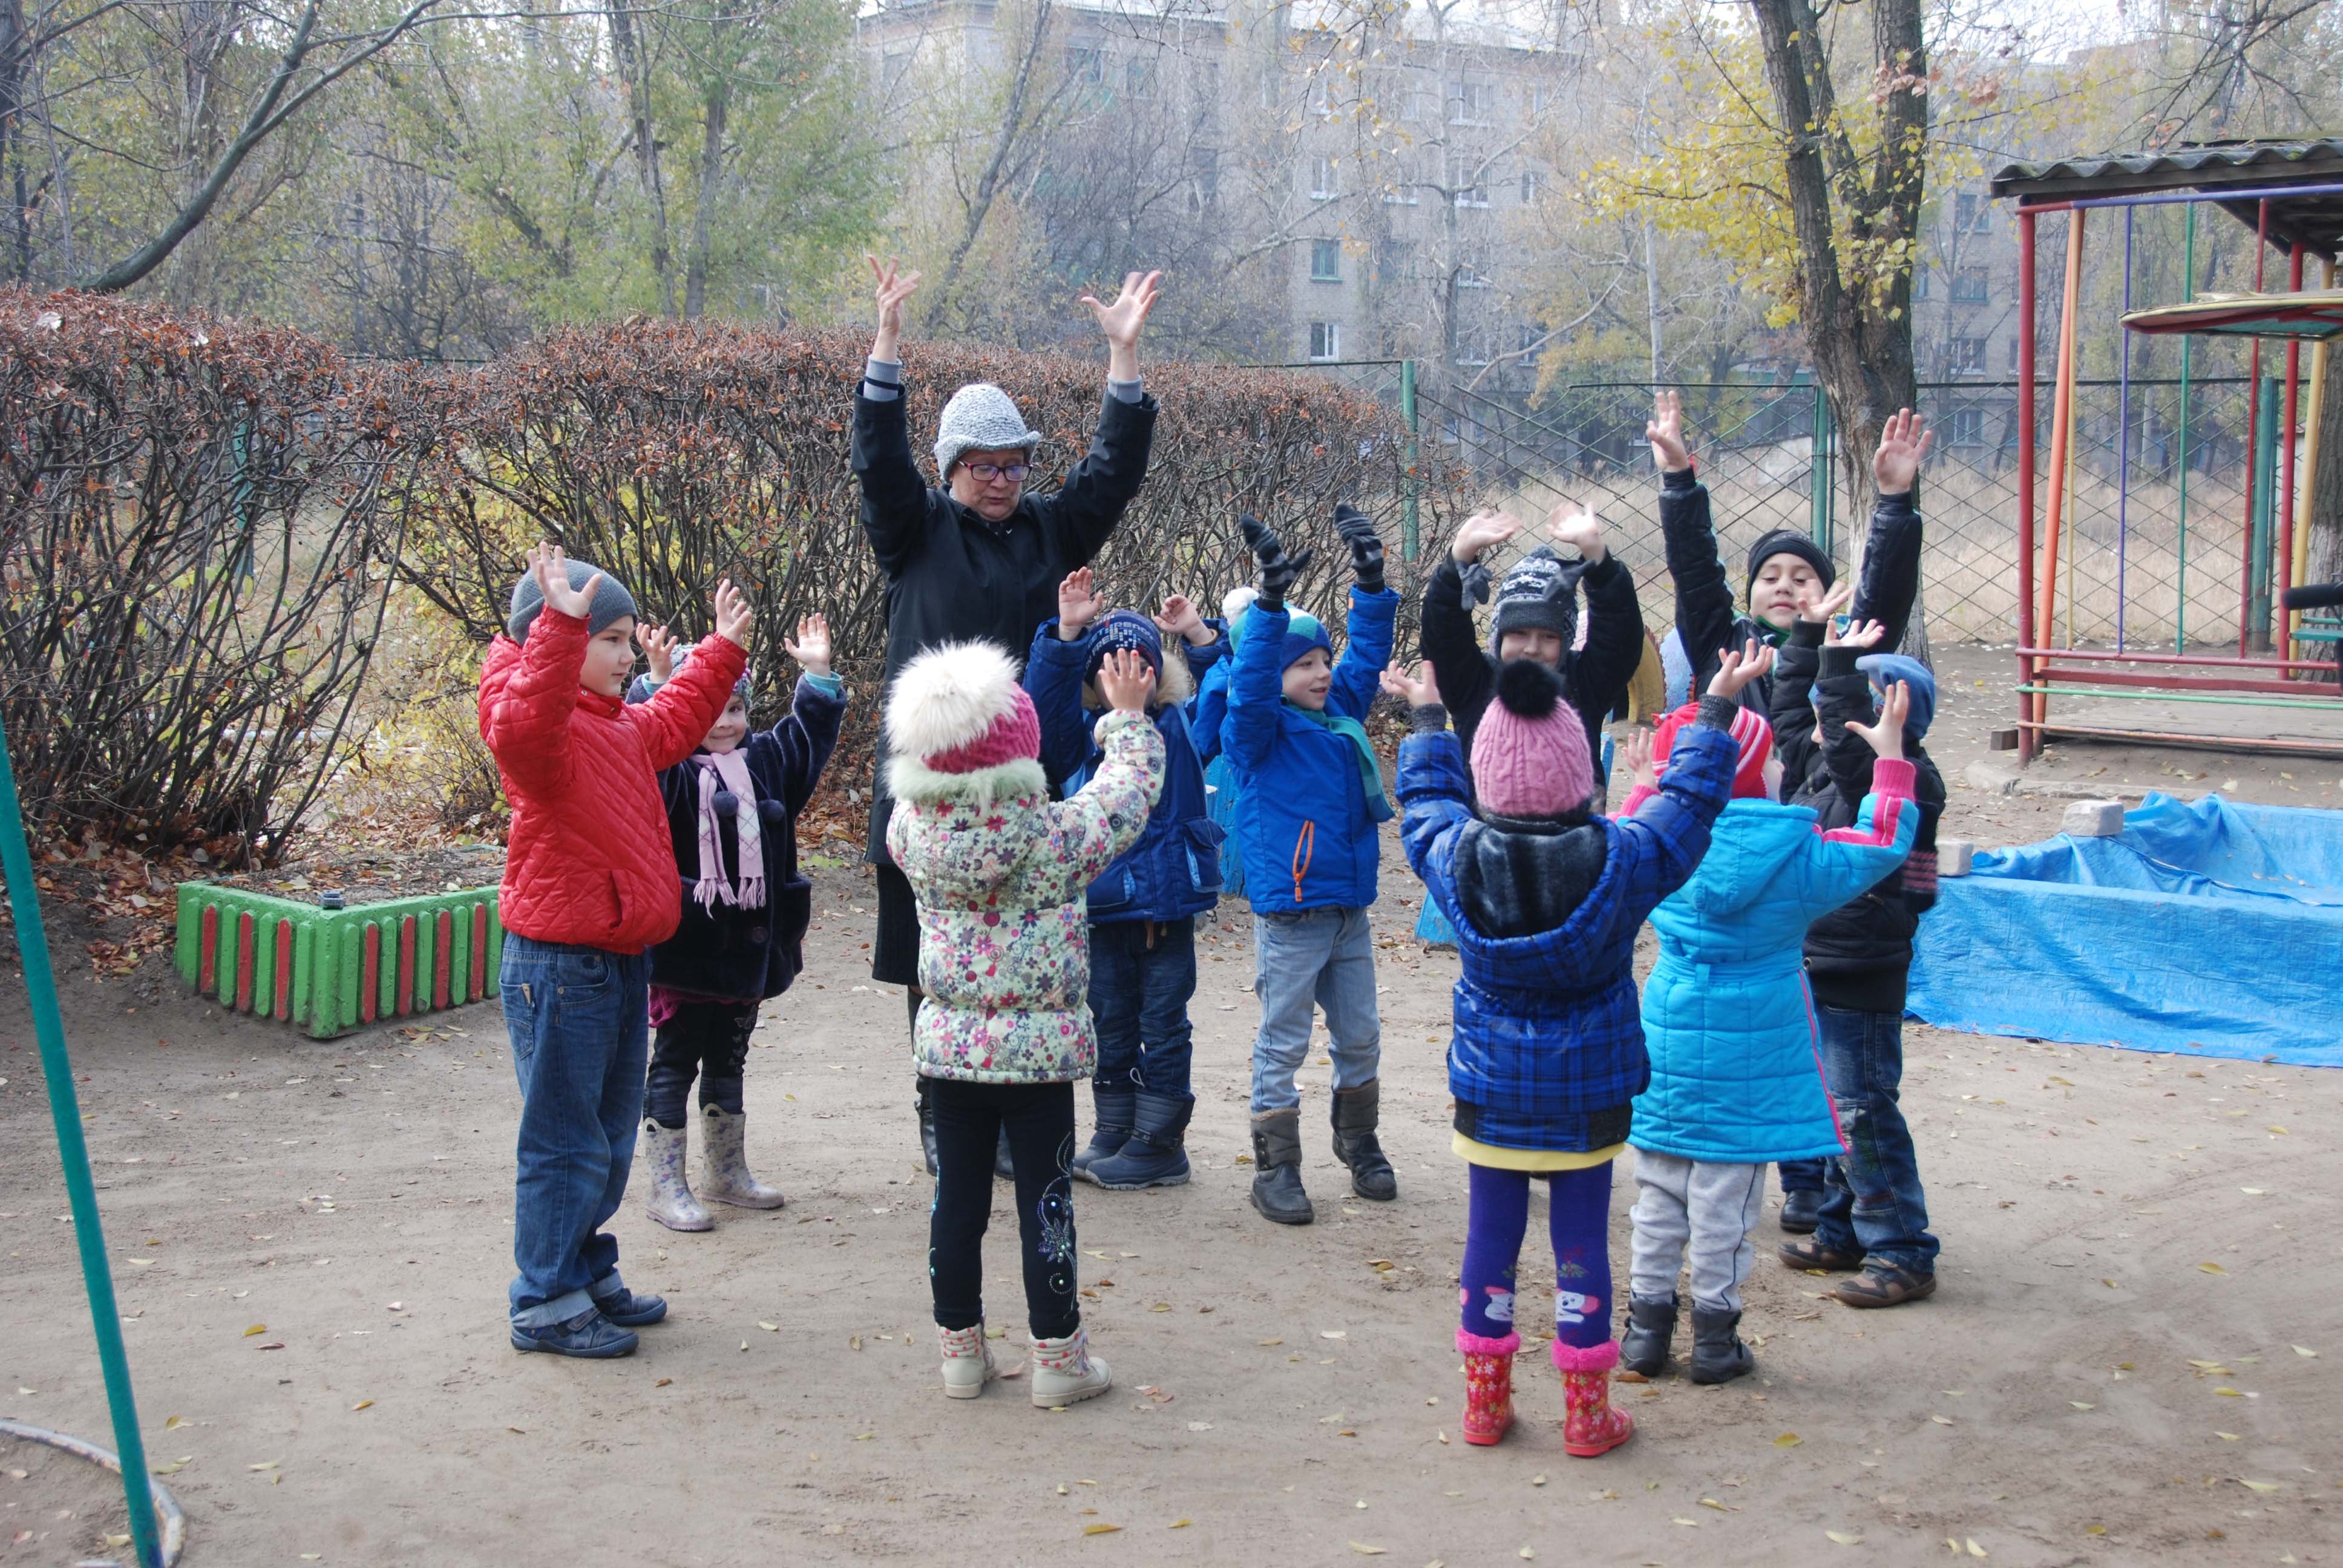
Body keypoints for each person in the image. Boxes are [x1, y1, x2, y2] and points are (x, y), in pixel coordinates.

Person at [1388, 644, 1754, 1453]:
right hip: (1588, 1096)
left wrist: (1425, 717)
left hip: (1491, 1092)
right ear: (1583, 778)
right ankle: (1587, 1414)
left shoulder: (1453, 855)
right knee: (1583, 1241)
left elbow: (1423, 804)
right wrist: (1716, 713)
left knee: (1491, 1236)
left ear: (1487, 780)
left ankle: (1485, 1405)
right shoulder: (1622, 859)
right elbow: (1688, 805)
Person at [853, 255, 1162, 1176]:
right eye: (983, 466)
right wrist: (887, 348)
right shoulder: (915, 532)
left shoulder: (1049, 528)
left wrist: (1124, 359)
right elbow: (878, 463)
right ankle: (942, 1117)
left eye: (1015, 463)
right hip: (926, 793)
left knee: (1028, 951)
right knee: (928, 963)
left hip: (1030, 792)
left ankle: (1019, 1117)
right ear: (951, 469)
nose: (1001, 480)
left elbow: (1113, 473)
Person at [479, 543, 751, 1358]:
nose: (630, 655)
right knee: (564, 1140)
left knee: (605, 1135)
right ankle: (544, 1299)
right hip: (559, 967)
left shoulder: (617, 725)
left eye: (629, 639)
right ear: (551, 640)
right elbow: (524, 722)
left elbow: (672, 721)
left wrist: (721, 650)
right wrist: (560, 630)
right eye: (614, 640)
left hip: (616, 960)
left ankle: (585, 1270)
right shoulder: (540, 732)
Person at [1619, 660, 1919, 1384]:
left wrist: (1647, 785)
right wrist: (1890, 761)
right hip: (1759, 1036)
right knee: (1728, 1197)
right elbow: (1883, 844)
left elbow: (1622, 836)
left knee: (1657, 1187)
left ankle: (1643, 1333)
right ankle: (1716, 1340)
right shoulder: (1799, 856)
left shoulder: (1655, 843)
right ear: (1763, 775)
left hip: (1667, 1025)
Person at [883, 639, 1165, 1407]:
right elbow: (1127, 796)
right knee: (1045, 1201)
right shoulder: (1054, 838)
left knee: (957, 1202)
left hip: (948, 1054)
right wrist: (1127, 720)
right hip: (1036, 1059)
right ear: (1021, 749)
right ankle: (1057, 1359)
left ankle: (960, 1356)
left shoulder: (910, 832)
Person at [624, 615, 847, 1231]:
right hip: (686, 948)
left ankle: (727, 1172)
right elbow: (642, 730)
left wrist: (818, 674)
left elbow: (808, 736)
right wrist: (660, 682)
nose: (722, 723)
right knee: (675, 1059)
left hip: (749, 954)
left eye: (735, 711)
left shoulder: (767, 761)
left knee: (729, 1056)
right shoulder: (665, 767)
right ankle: (665, 1185)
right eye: (709, 710)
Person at [1769, 567, 1946, 1308]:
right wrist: (1809, 640)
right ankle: (1842, 1229)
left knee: (1862, 1108)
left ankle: (1901, 1248)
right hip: (1820, 959)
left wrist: (1838, 670)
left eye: (1846, 707)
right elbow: (1788, 721)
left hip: (1860, 967)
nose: (1824, 719)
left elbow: (1850, 750)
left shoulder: (1904, 780)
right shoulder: (1823, 770)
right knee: (1834, 1106)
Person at [1223, 508, 1400, 1226]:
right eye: (1305, 663)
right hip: (1291, 915)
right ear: (1273, 671)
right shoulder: (1257, 731)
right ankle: (1277, 1166)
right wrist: (1268, 604)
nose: (1323, 672)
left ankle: (1358, 1140)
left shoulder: (1338, 714)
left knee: (1359, 1033)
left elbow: (1365, 657)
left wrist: (1371, 579)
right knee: (1284, 1037)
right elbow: (1251, 681)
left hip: (1346, 910)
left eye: (1322, 659)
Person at [1026, 571, 1226, 1189]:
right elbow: (1040, 712)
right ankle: (1114, 1128)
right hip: (1102, 906)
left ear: (1157, 673)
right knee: (1108, 1017)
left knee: (1162, 1021)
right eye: (1107, 667)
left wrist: (1197, 636)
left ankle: (1159, 1142)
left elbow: (1229, 690)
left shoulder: (1178, 725)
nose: (1123, 677)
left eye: (1136, 664)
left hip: (1164, 907)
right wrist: (1065, 636)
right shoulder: (1078, 740)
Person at [1648, 391, 1924, 714]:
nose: (1783, 586)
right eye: (1769, 577)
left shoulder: (1846, 648)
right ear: (1750, 598)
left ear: (1828, 599)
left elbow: (1885, 591)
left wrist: (1894, 500)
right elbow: (1695, 569)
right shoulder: (1723, 642)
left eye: (1802, 579)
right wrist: (1679, 479)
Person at [1420, 501, 1644, 765]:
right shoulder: (1473, 685)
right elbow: (1443, 637)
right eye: (1518, 633)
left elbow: (1619, 638)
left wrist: (1598, 559)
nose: (1532, 648)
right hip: (1480, 808)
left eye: (1549, 636)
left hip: (1574, 808)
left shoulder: (1584, 686)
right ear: (1498, 636)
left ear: (1567, 640)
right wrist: (1459, 559)